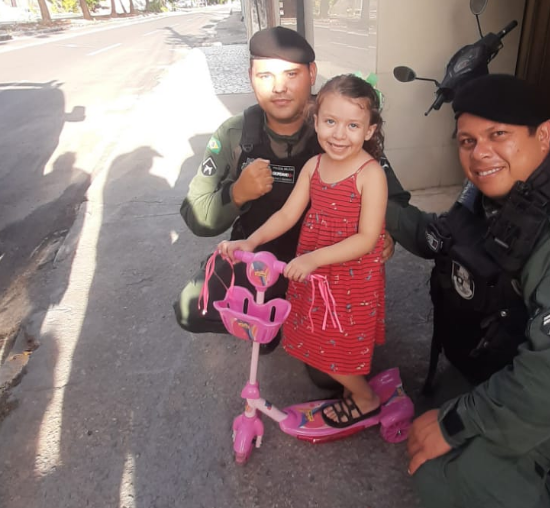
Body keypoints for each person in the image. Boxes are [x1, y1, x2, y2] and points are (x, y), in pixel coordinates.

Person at [391, 74, 550, 508]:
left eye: (498, 135)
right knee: (426, 425)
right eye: (467, 141)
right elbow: (438, 238)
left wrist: (455, 424)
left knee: (443, 472)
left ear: (543, 135)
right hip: (500, 361)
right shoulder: (491, 196)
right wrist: (370, 193)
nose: (479, 153)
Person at [174, 27, 414, 363]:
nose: (279, 87)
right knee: (191, 309)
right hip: (263, 255)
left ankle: (289, 318)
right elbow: (195, 214)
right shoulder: (235, 133)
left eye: (291, 74)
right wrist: (237, 193)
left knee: (329, 373)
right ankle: (269, 315)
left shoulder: (340, 123)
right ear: (251, 77)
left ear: (312, 74)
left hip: (327, 261)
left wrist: (385, 233)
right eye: (265, 75)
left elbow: (394, 198)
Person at [219, 74, 389, 426]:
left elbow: (367, 238)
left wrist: (313, 259)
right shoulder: (314, 166)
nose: (339, 134)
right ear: (316, 121)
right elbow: (287, 214)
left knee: (338, 342)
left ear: (369, 130)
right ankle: (353, 387)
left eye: (353, 125)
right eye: (330, 121)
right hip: (315, 275)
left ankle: (365, 398)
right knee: (317, 335)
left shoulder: (370, 174)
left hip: (350, 278)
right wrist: (250, 242)